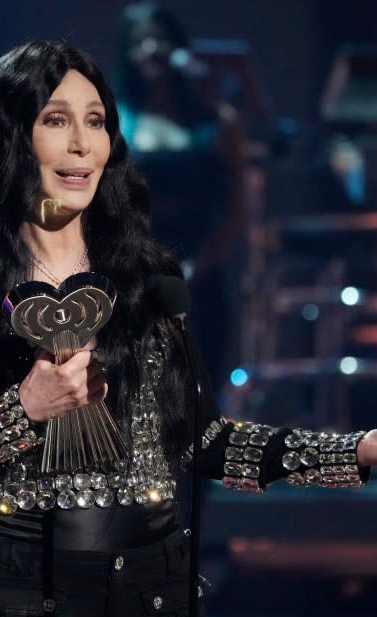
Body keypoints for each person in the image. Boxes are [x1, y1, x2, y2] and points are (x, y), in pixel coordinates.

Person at [0, 41, 377, 617]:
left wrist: (350, 453)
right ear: (11, 137)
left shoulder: (149, 277)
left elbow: (204, 441)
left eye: (95, 121)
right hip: (12, 597)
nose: (80, 143)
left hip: (151, 596)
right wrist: (23, 412)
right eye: (55, 120)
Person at [114, 2, 248, 391]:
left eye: (160, 38)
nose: (152, 49)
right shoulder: (115, 123)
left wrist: (193, 270)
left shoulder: (218, 123)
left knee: (199, 397)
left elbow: (235, 213)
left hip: (200, 280)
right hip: (135, 284)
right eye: (140, 42)